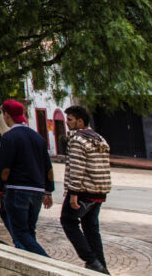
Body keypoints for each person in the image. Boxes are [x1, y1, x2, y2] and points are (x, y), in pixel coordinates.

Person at [0, 99, 55, 257]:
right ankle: (34, 266)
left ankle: (50, 265)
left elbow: (4, 168)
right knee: (29, 232)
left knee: (20, 233)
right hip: (37, 191)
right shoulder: (38, 138)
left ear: (6, 115)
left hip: (18, 190)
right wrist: (48, 190)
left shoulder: (10, 137)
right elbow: (48, 167)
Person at [61, 105, 111, 274]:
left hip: (83, 191)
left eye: (70, 119)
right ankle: (101, 267)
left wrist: (73, 192)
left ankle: (91, 261)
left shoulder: (78, 140)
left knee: (68, 221)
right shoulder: (99, 138)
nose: (67, 123)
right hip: (99, 191)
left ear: (80, 121)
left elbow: (77, 167)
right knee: (91, 227)